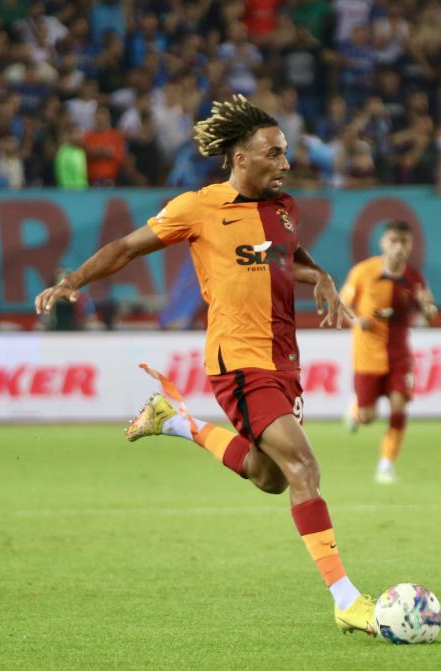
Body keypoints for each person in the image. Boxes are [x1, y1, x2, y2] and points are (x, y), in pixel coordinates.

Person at [34, 94, 378, 636]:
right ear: (241, 158)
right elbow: (127, 247)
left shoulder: (284, 209)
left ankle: (177, 421)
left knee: (270, 477)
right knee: (305, 468)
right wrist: (72, 281)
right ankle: (346, 599)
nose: (286, 163)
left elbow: (284, 256)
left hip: (284, 363)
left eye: (285, 152)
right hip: (238, 363)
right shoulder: (198, 208)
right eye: (274, 153)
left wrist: (324, 278)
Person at [340, 220, 437, 484]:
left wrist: (428, 309)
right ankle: (356, 410)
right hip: (367, 354)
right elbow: (343, 304)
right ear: (383, 243)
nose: (398, 248)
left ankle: (386, 466)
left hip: (399, 354)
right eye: (393, 241)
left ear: (411, 245)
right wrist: (357, 320)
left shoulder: (415, 278)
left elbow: (429, 313)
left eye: (404, 242)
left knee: (399, 405)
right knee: (368, 417)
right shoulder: (363, 271)